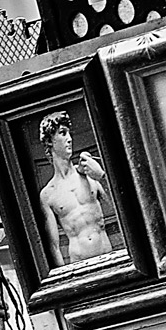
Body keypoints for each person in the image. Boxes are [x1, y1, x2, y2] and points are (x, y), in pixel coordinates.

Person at [38, 108, 111, 264]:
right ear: (50, 141)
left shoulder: (89, 173)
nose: (70, 139)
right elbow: (54, 247)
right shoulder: (48, 195)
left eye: (69, 133)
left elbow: (122, 208)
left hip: (109, 257)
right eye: (63, 133)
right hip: (80, 266)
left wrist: (101, 176)